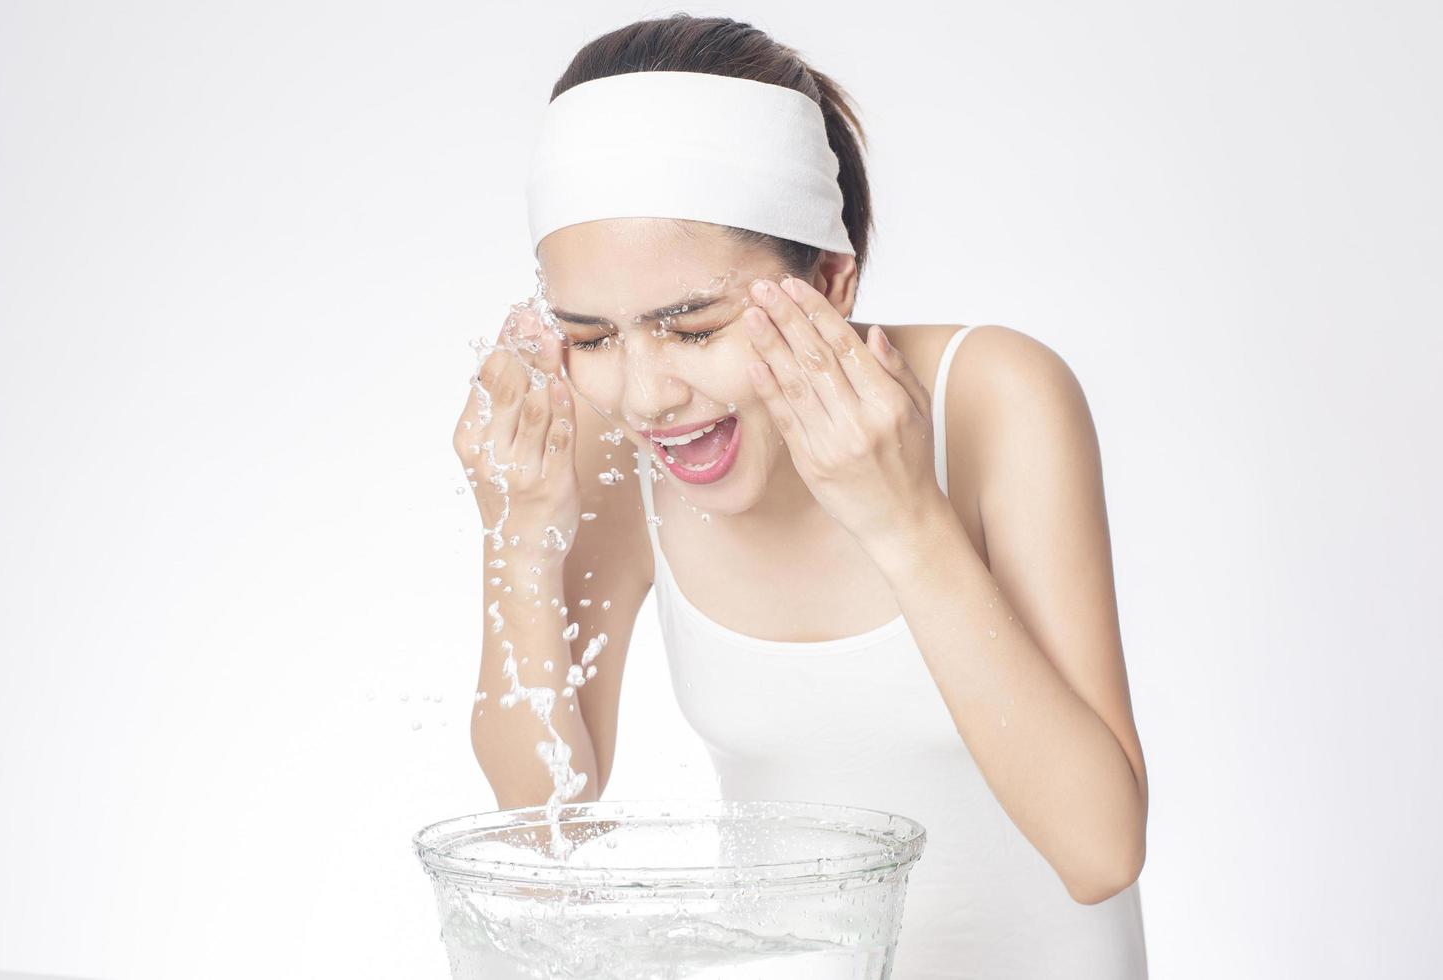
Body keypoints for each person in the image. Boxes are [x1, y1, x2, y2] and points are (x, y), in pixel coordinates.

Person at [457, 14, 1149, 979]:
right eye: (591, 336)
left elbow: (1100, 851)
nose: (647, 392)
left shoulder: (995, 396)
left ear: (831, 279)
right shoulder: (616, 444)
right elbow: (545, 831)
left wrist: (903, 519)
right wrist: (519, 540)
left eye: (693, 328)